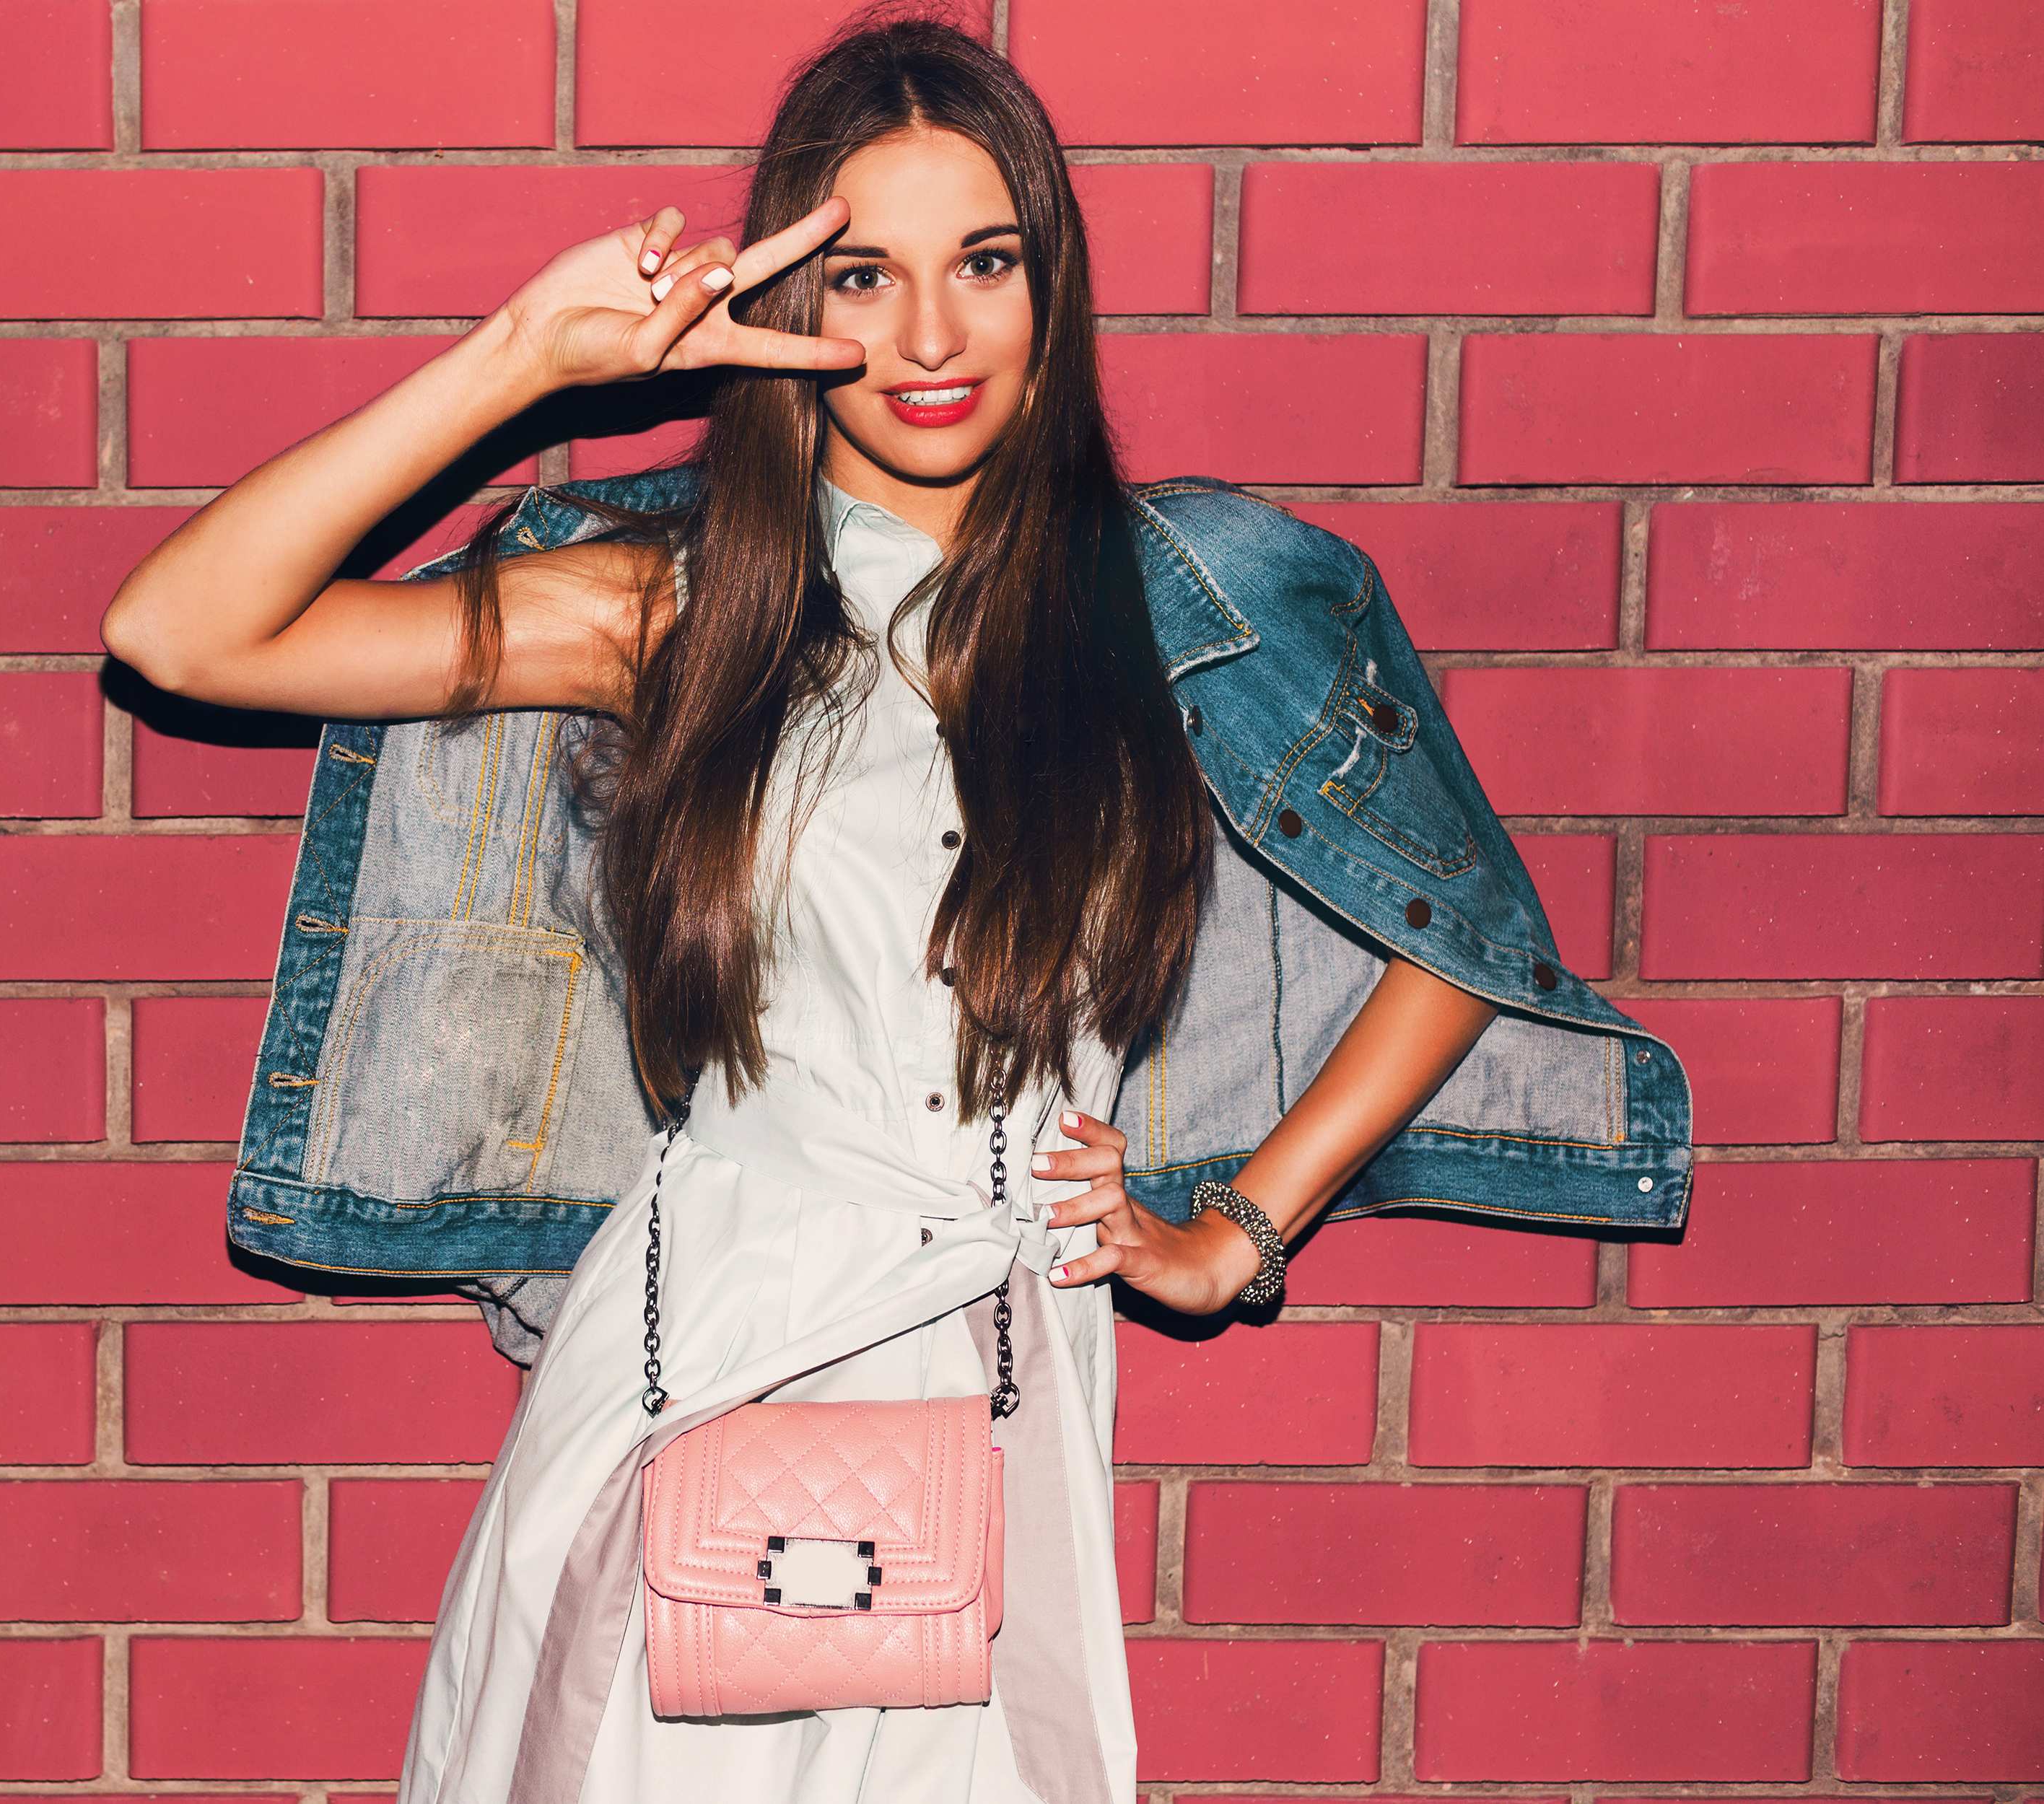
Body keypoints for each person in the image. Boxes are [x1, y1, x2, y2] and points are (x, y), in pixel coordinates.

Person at [103, 19, 1691, 1802]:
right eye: (865, 274)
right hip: (706, 1340)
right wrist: (523, 364)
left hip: (999, 1358)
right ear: (796, 304)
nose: (930, 336)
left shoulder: (1188, 610)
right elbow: (182, 634)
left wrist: (1237, 1232)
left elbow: (1459, 927)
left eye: (984, 263)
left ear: (1050, 285)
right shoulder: (682, 613)